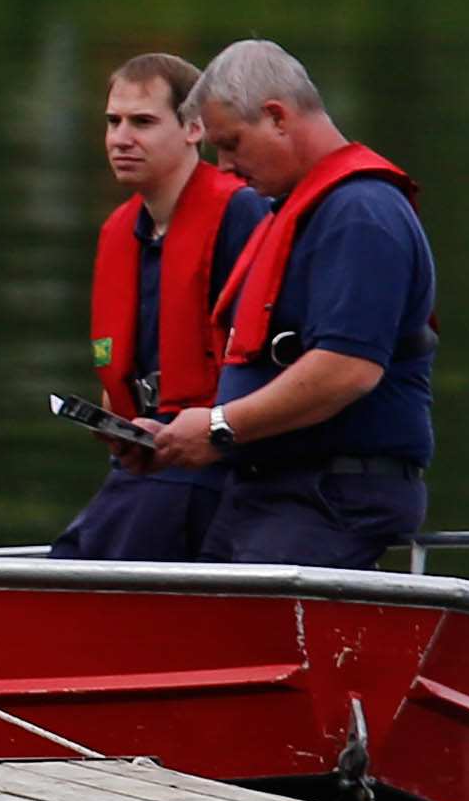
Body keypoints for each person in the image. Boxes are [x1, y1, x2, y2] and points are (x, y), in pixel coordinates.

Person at [145, 42, 435, 567]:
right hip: (268, 492)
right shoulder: (296, 211)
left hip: (329, 497)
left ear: (277, 117)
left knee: (243, 613)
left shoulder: (361, 212)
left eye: (230, 144)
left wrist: (218, 426)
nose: (224, 167)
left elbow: (347, 370)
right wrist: (172, 433)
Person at [51, 52, 272, 563]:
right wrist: (115, 422)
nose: (120, 139)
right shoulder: (121, 231)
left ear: (194, 128)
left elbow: (261, 357)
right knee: (73, 556)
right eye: (113, 122)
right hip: (146, 463)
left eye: (143, 122)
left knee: (85, 566)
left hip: (214, 466)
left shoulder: (239, 212)